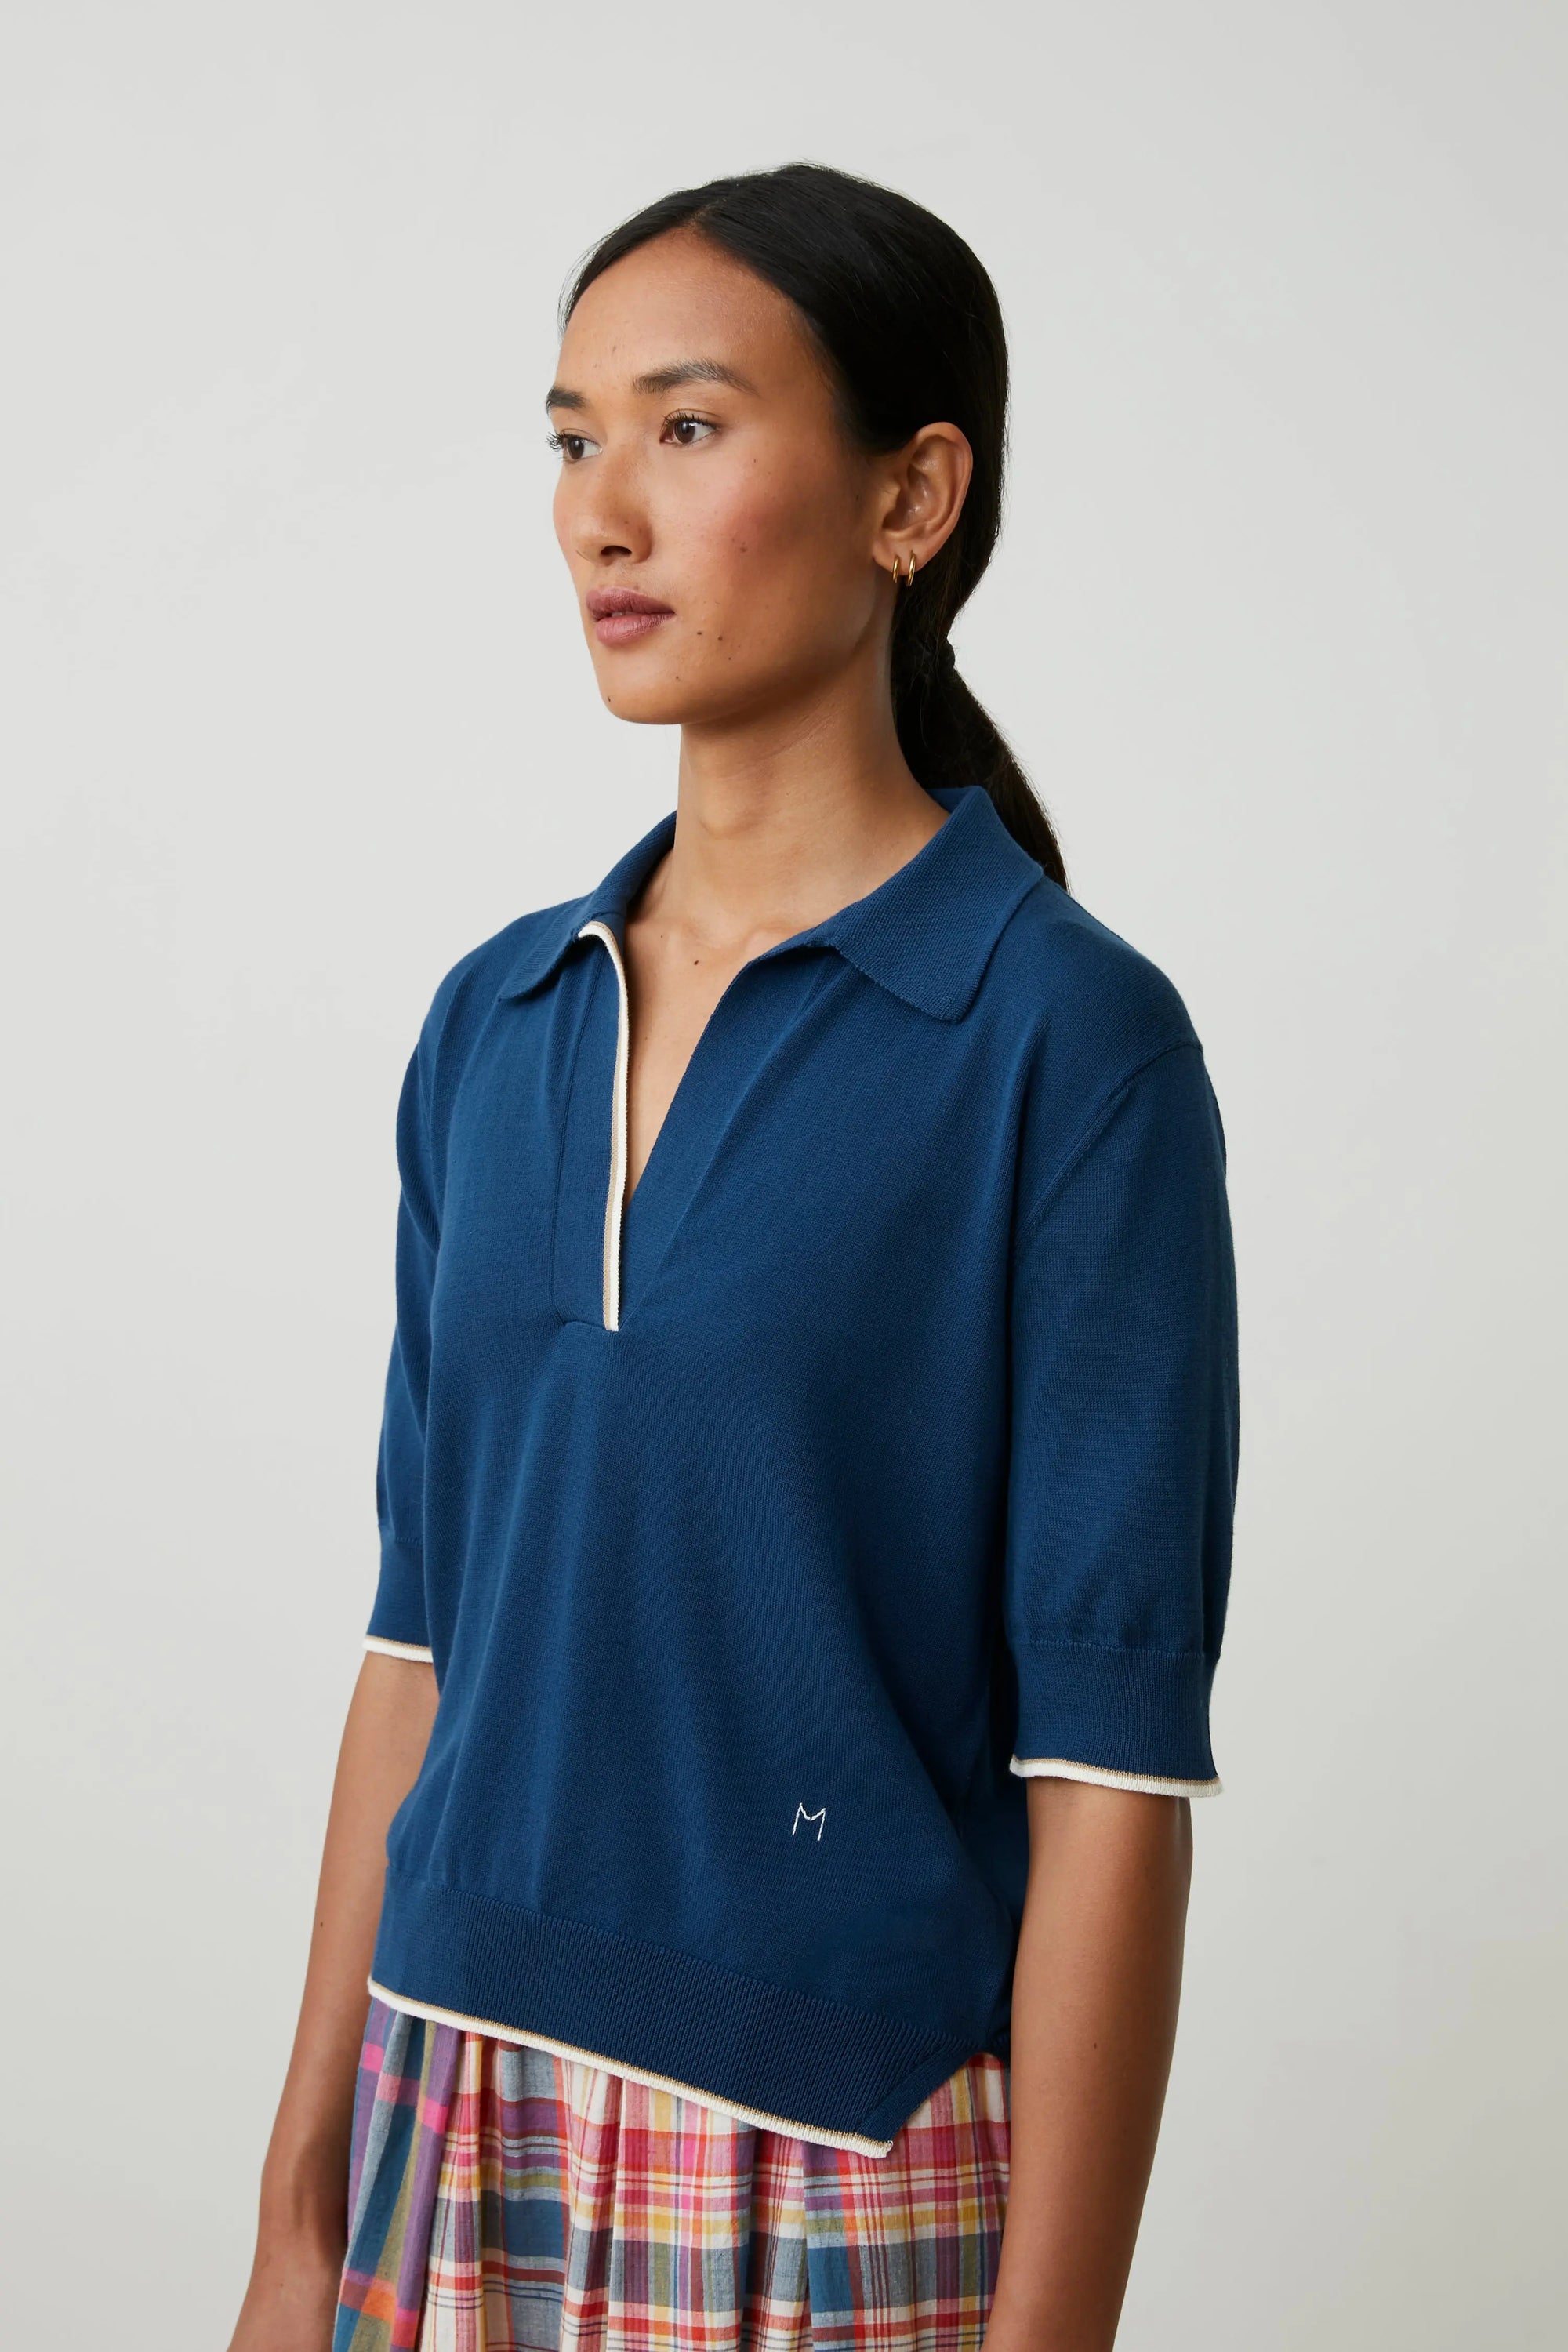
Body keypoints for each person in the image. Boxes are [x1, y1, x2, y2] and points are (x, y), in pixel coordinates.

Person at [229, 161, 1239, 2352]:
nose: (602, 515)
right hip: (443, 2118)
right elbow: (416, 1654)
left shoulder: (1067, 1047)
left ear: (911, 497)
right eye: (572, 438)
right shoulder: (497, 1022)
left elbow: (1111, 1780)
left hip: (830, 2170)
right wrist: (298, 2220)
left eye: (687, 428)